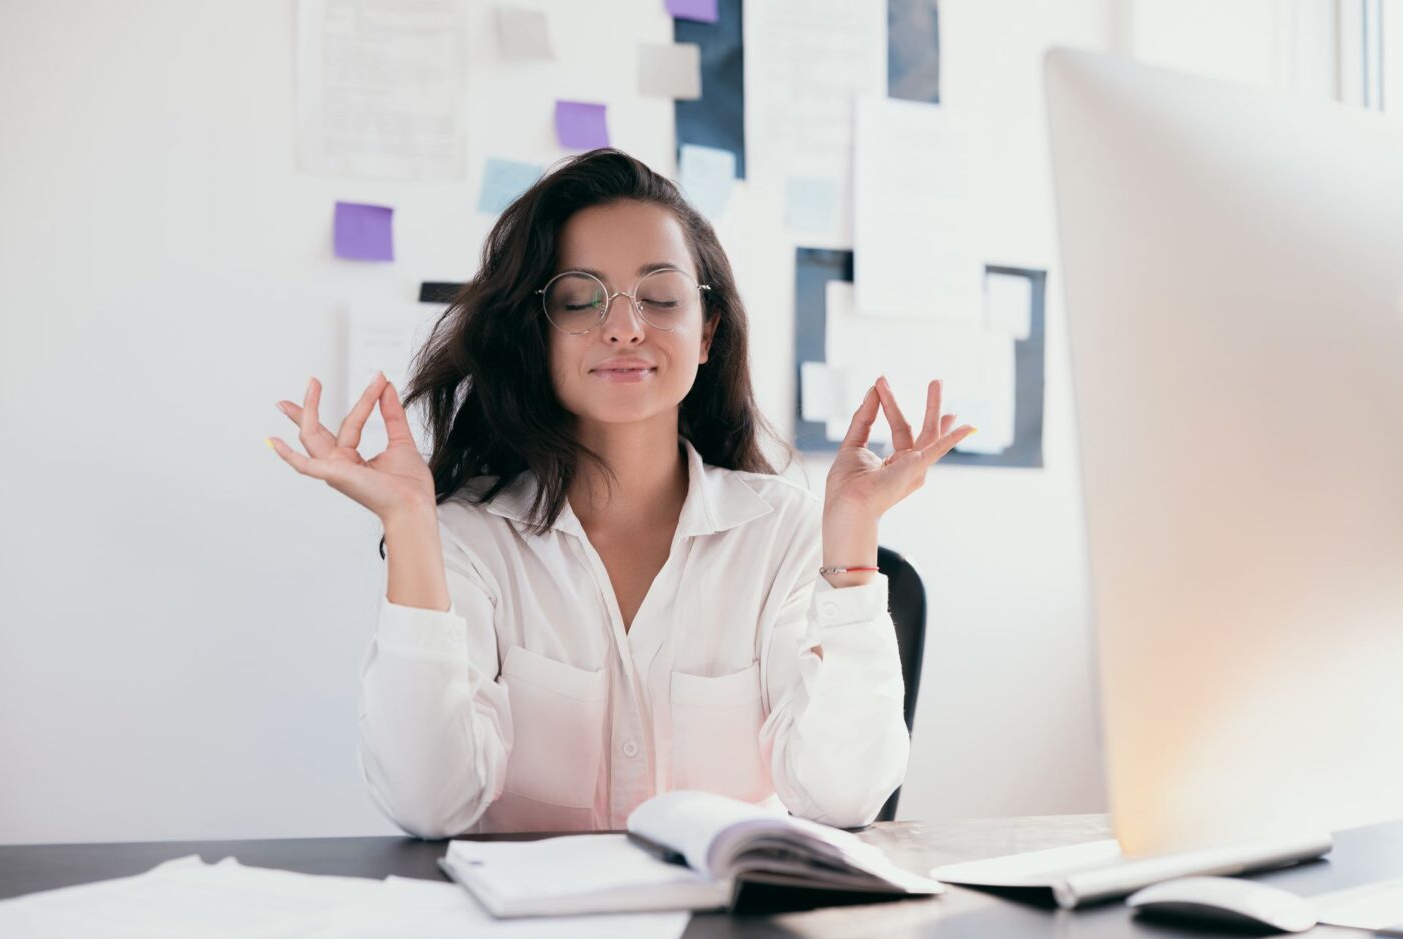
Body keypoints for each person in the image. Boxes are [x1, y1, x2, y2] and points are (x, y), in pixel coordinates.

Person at [268, 149, 975, 839]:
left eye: (660, 298)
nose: (625, 327)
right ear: (536, 336)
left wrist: (851, 532)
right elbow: (428, 805)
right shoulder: (467, 537)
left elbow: (844, 797)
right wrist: (409, 522)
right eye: (580, 300)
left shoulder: (783, 531)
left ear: (707, 332)